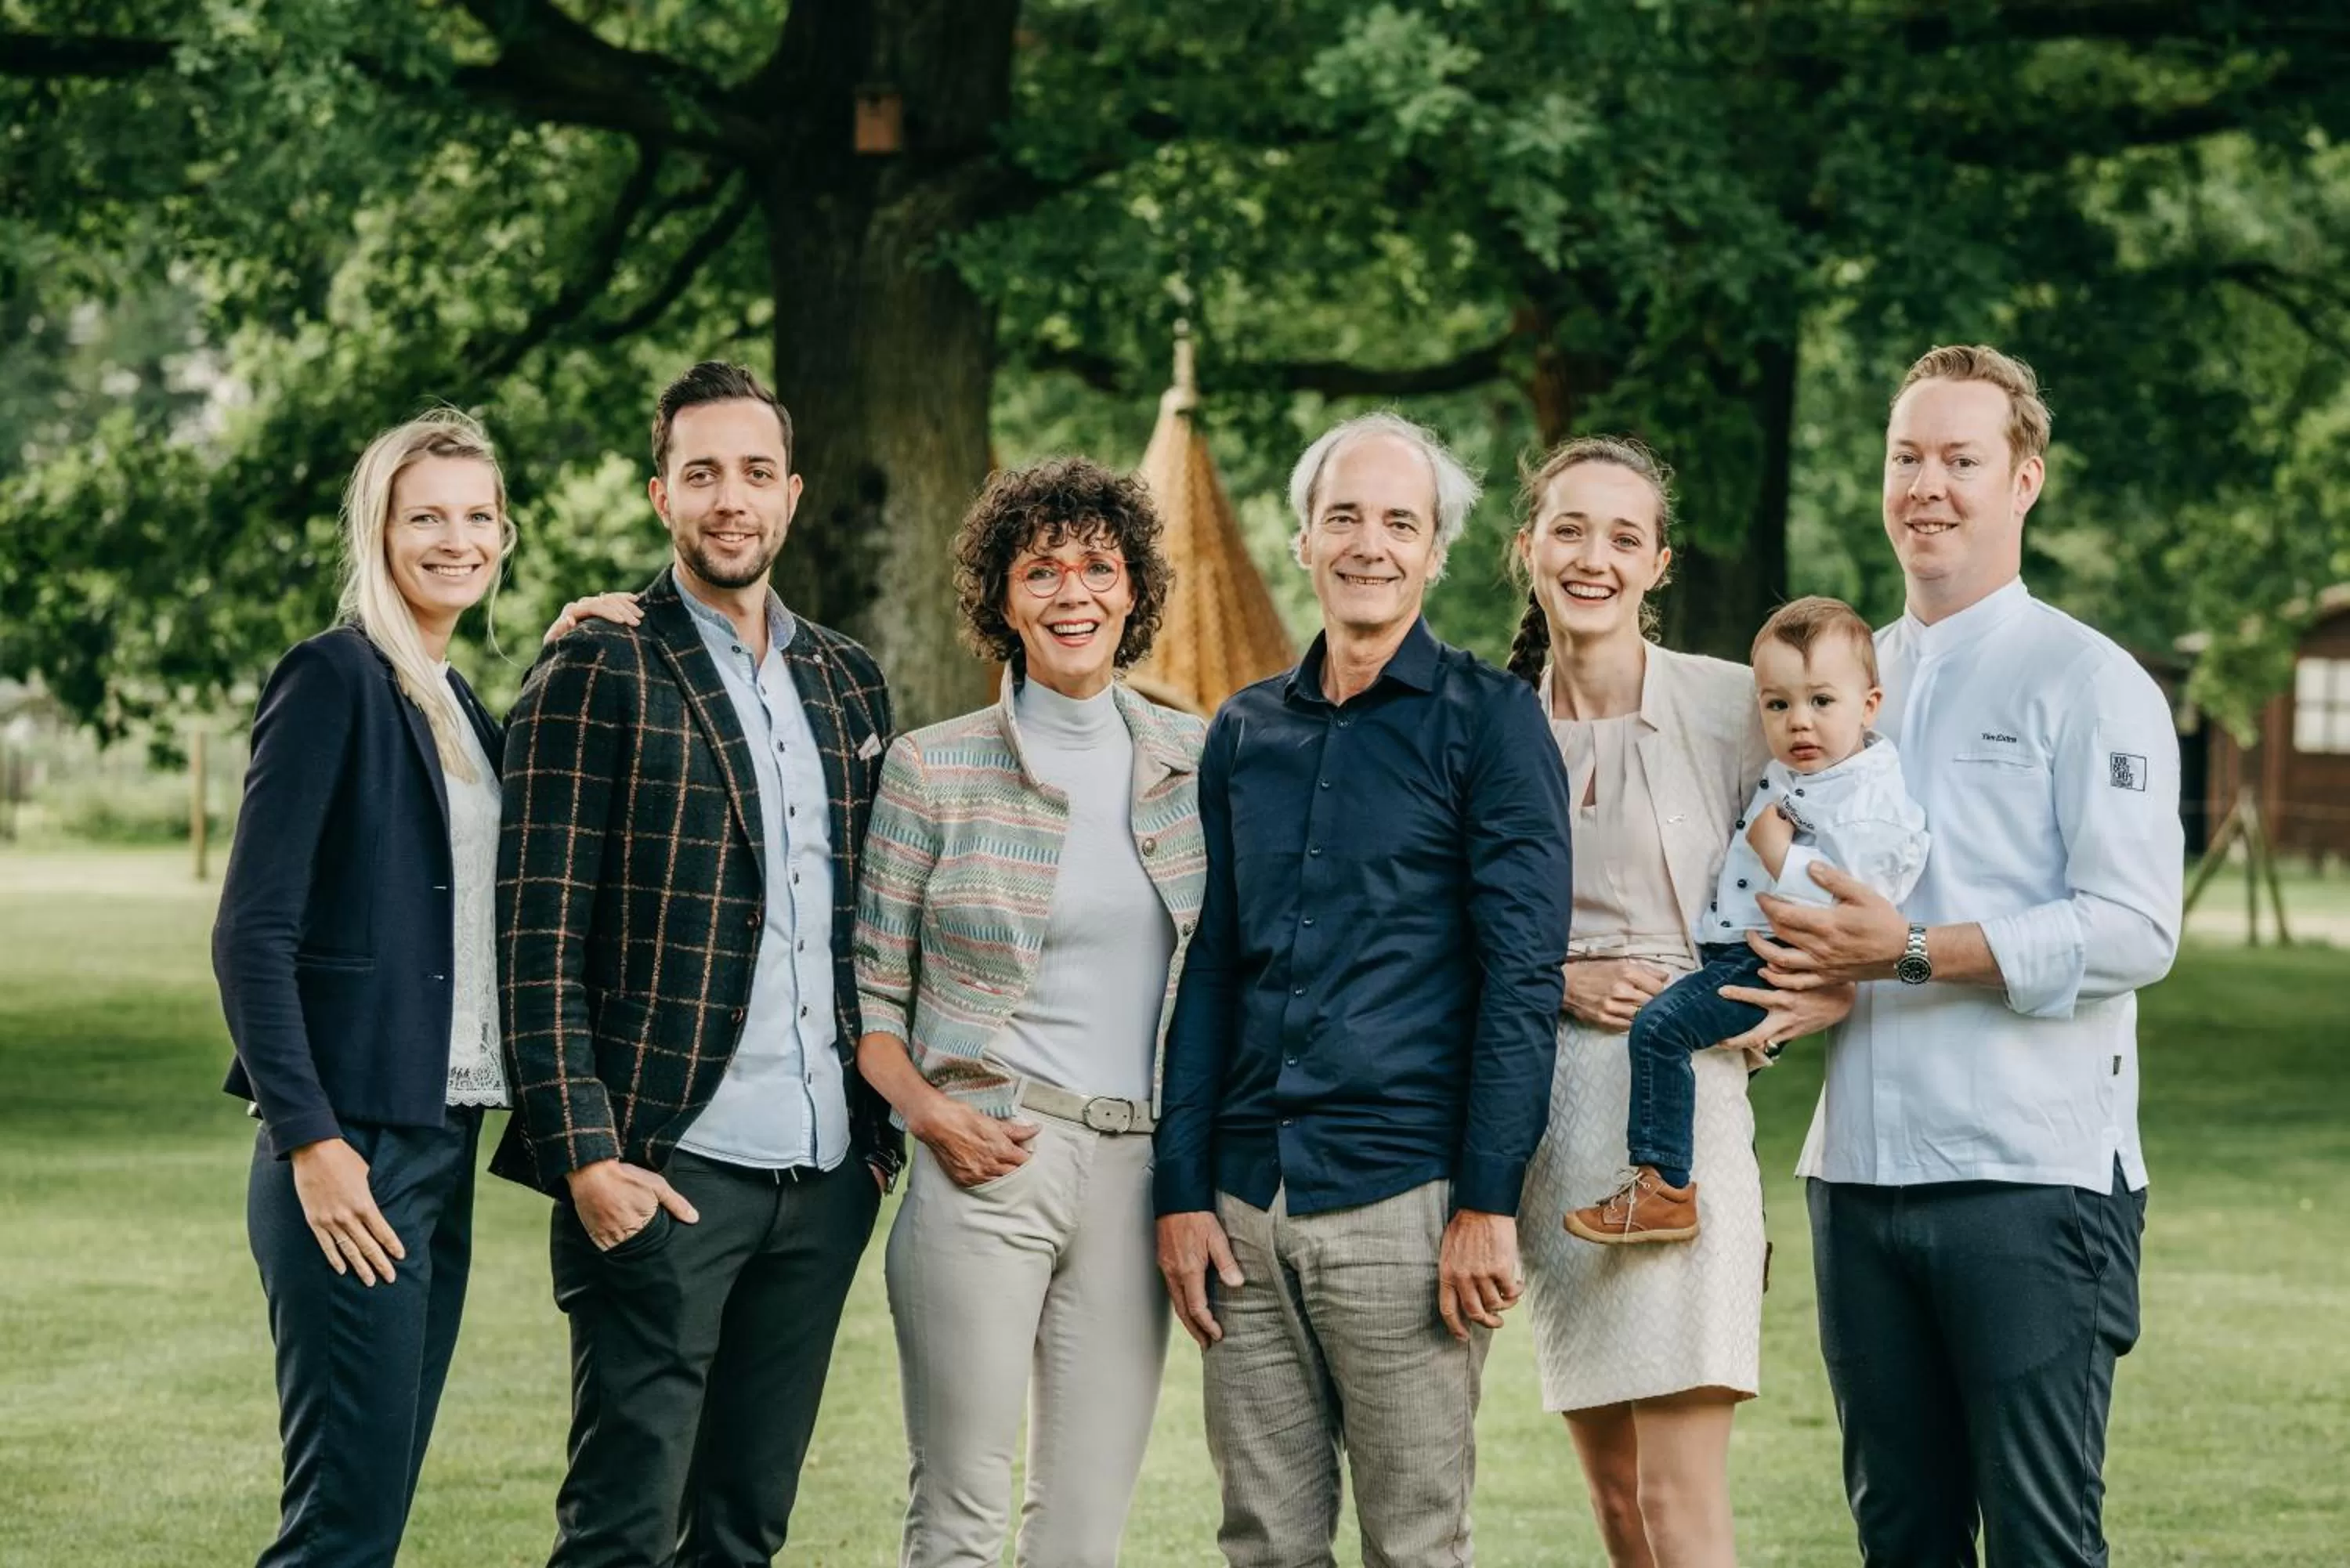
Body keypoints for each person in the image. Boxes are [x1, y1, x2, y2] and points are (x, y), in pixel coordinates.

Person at [1754, 345, 2182, 1566]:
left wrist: (1910, 952)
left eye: (1960, 458)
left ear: (2024, 479)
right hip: (1858, 1173)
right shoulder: (1848, 680)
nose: (1926, 485)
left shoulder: (2089, 680)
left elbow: (2137, 925)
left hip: (2032, 1179)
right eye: (1907, 456)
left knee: (2041, 1541)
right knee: (1900, 1536)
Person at [495, 360, 900, 1567]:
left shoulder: (849, 680)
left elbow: (872, 922)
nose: (733, 498)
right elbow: (534, 940)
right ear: (660, 493)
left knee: (742, 1529)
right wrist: (587, 1156)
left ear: (793, 494)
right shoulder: (598, 666)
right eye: (704, 472)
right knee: (620, 1531)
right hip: (666, 1168)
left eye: (757, 473)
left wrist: (873, 1151)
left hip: (824, 1176)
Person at [1153, 410, 1576, 1567]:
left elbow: (1521, 978)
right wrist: (1182, 1190)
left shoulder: (1492, 723)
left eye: (1400, 521)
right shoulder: (1243, 730)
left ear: (1435, 552)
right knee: (1262, 1543)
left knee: (1414, 1543)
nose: (1369, 543)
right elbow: (1209, 967)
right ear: (1303, 539)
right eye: (1344, 516)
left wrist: (1487, 1202)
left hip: (1407, 1203)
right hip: (1244, 1205)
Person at [1505, 437, 1854, 1568]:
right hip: (1551, 1122)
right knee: (1615, 1499)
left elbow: (1856, 828)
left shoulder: (1730, 702)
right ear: (1528, 548)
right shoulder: (1490, 720)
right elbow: (1443, 929)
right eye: (1570, 530)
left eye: (1624, 537)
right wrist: (1561, 979)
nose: (1593, 557)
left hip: (1686, 1120)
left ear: (1658, 563)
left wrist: (1827, 986)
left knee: (1678, 1498)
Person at [852, 457, 1204, 1566]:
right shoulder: (931, 769)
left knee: (1083, 1532)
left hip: (1139, 1172)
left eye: (1098, 566)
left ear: (1134, 590)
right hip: (986, 1163)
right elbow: (871, 1002)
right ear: (1002, 601)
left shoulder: (1198, 763)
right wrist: (932, 1116)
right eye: (1040, 570)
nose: (1072, 593)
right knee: (957, 1517)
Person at [213, 410, 515, 1567]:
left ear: (505, 535)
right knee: (338, 1532)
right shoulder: (334, 675)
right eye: (425, 516)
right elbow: (252, 932)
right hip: (354, 1149)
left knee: (367, 1520)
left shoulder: (460, 703)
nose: (456, 539)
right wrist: (312, 1140)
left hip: (443, 1138)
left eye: (478, 517)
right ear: (379, 530)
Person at [1566, 595, 1929, 1245]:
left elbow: (1858, 908)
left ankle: (1665, 1187)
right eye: (1778, 704)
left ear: (1869, 705)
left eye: (1822, 701)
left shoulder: (1868, 797)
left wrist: (1778, 853)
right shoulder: (1803, 771)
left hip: (1771, 957)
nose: (1799, 722)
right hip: (1732, 947)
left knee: (1661, 1029)